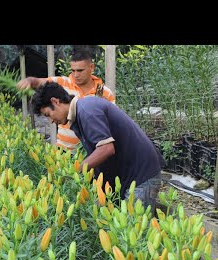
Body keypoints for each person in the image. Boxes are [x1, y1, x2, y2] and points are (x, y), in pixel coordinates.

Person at [31, 82, 164, 210]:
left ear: (55, 101)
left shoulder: (86, 111)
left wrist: (75, 171)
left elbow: (106, 149)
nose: (51, 121)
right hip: (130, 176)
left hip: (142, 176)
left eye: (48, 114)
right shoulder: (81, 112)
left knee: (135, 228)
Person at [17, 49, 115, 154]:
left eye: (80, 70)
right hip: (63, 151)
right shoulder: (63, 82)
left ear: (91, 67)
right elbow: (38, 82)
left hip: (89, 152)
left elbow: (111, 123)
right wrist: (29, 81)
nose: (75, 75)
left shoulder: (103, 92)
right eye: (73, 70)